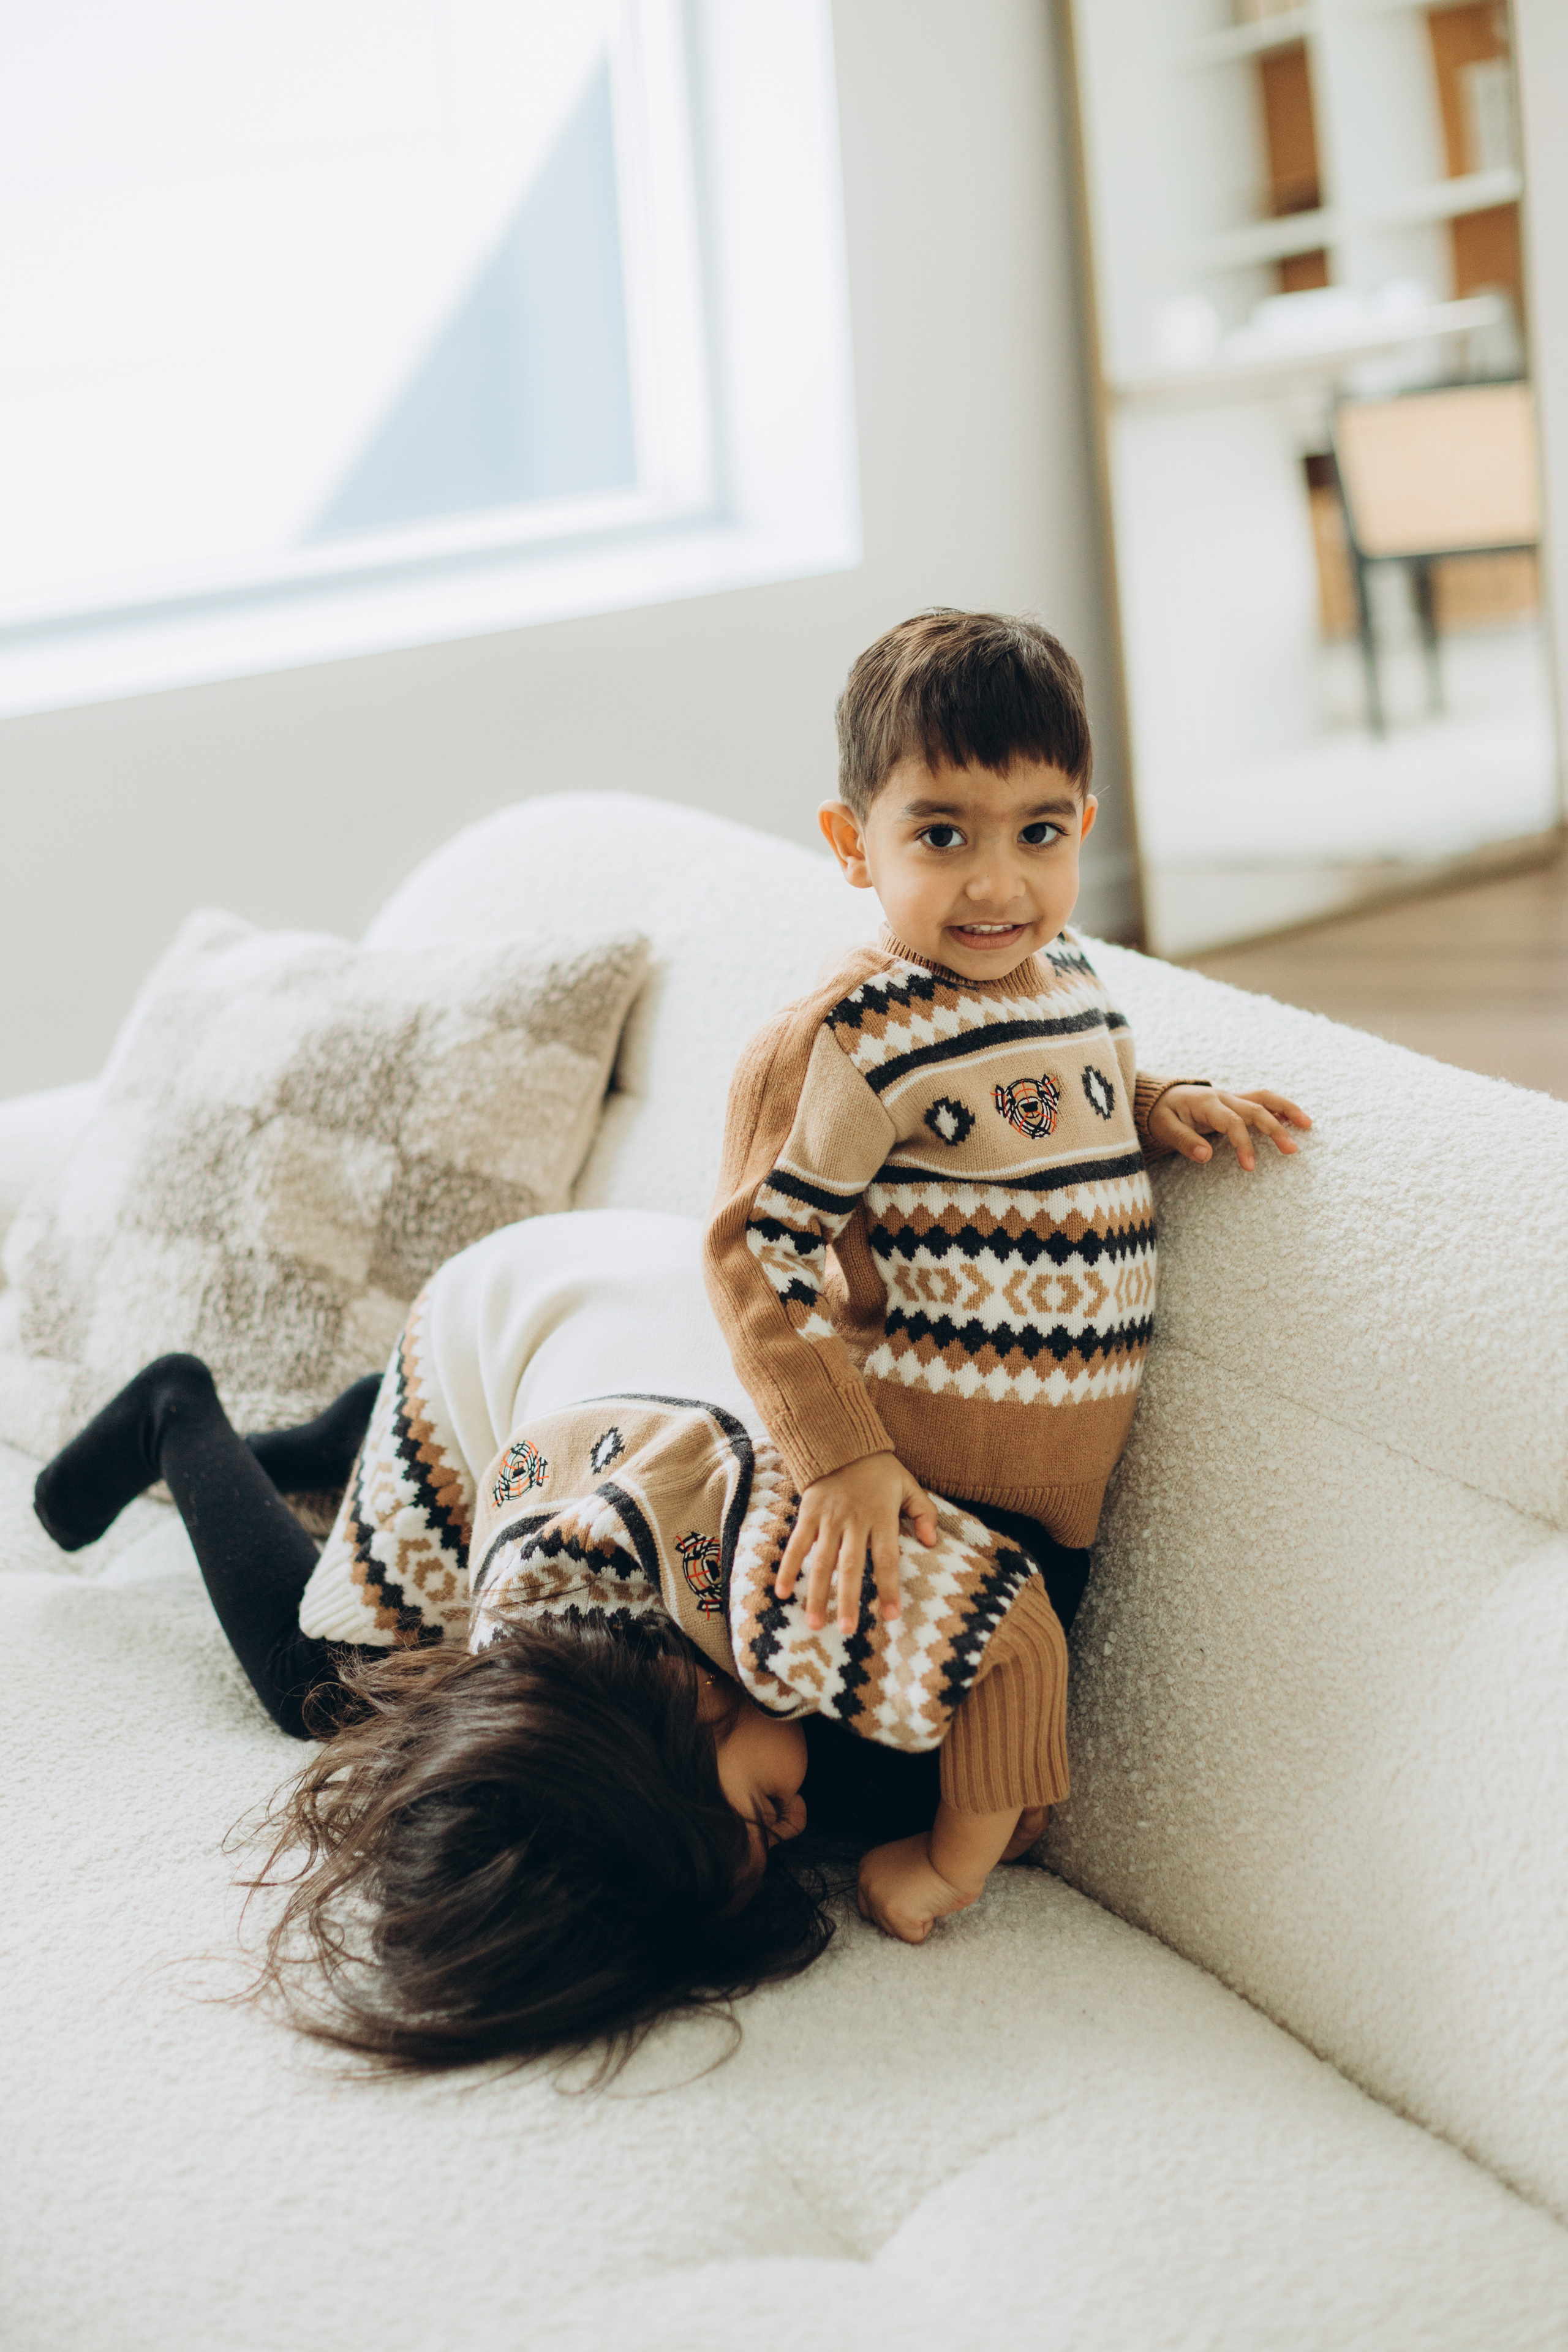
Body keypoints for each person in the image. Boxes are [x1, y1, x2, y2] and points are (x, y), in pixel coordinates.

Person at [31, 1209, 1062, 2069]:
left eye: (763, 1812)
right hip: (546, 1326)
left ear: (684, 1706)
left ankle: (231, 1421)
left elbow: (1016, 1635)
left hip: (550, 1317)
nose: (800, 1828)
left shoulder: (780, 1584)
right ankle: (262, 1423)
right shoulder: (553, 1669)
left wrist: (958, 1851)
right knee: (372, 1664)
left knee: (325, 1687)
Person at [704, 608, 1311, 1943]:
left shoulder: (1073, 976)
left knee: (996, 1718)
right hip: (915, 1474)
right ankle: (887, 1851)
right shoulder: (850, 1036)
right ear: (852, 842)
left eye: (1036, 833)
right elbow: (760, 1252)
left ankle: (912, 1831)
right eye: (941, 836)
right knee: (893, 1743)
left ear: (1084, 822)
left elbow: (1050, 1101)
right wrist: (840, 1460)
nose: (995, 886)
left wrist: (1154, 1103)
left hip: (1058, 1475)